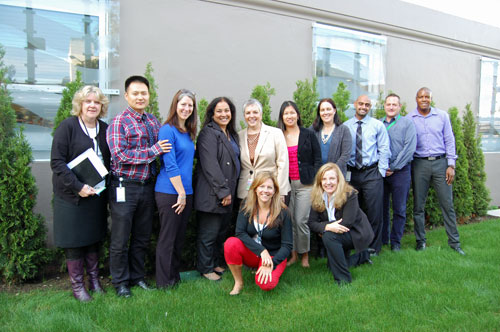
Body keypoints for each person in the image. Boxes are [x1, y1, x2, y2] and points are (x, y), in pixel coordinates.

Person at [106, 75, 171, 297]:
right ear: (126, 96)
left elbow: (166, 146)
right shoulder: (119, 122)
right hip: (125, 186)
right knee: (121, 238)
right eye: (135, 93)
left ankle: (138, 277)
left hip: (147, 187)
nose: (140, 97)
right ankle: (121, 283)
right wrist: (153, 151)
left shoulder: (153, 121)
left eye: (144, 93)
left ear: (149, 95)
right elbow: (120, 155)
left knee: (142, 237)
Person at [51, 85, 110, 302]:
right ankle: (78, 287)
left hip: (96, 195)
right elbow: (57, 162)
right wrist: (78, 186)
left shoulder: (104, 129)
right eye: (88, 102)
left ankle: (94, 281)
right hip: (72, 197)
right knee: (75, 242)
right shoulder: (68, 127)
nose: (93, 105)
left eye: (96, 102)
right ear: (80, 105)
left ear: (102, 106)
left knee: (93, 239)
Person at [409, 87, 465, 255]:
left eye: (427, 97)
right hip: (420, 165)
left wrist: (451, 165)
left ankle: (455, 243)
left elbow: (449, 139)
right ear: (416, 99)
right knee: (418, 206)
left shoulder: (442, 116)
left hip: (441, 164)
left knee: (447, 205)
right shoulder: (409, 118)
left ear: (431, 99)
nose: (424, 99)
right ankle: (420, 241)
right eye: (421, 97)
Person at [194, 97, 240, 281]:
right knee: (209, 233)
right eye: (219, 111)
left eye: (227, 110)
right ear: (212, 114)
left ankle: (214, 262)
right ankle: (205, 267)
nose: (223, 114)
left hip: (228, 192)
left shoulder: (231, 134)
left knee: (220, 231)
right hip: (213, 193)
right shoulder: (208, 133)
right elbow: (210, 165)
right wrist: (223, 191)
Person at [224, 172, 293, 295]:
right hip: (254, 253)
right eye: (261, 186)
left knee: (267, 284)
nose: (265, 191)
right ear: (255, 189)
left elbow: (287, 246)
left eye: (269, 187)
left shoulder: (284, 212)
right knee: (231, 244)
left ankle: (266, 269)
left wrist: (272, 263)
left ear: (274, 191)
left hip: (273, 255)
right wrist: (262, 251)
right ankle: (238, 282)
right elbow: (240, 233)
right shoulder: (247, 205)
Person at [155, 89, 197, 288]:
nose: (186, 108)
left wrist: (185, 193)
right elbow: (170, 164)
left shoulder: (188, 132)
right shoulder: (167, 130)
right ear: (175, 105)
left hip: (185, 192)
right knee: (168, 238)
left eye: (190, 105)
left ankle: (174, 277)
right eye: (183, 104)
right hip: (170, 191)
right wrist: (180, 193)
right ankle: (164, 282)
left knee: (178, 239)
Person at [308, 163, 374, 284]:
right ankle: (362, 256)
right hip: (336, 234)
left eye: (332, 178)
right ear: (320, 182)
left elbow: (347, 222)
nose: (328, 182)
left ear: (338, 179)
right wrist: (327, 226)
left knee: (329, 236)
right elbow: (311, 223)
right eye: (324, 179)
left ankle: (343, 280)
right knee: (332, 265)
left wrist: (324, 228)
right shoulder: (317, 196)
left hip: (356, 233)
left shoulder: (350, 194)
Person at [277, 101, 321, 267]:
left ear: (298, 115)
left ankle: (305, 257)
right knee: (290, 221)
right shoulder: (278, 135)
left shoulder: (308, 134)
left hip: (306, 184)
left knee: (301, 220)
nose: (289, 116)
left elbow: (317, 159)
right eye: (286, 113)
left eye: (292, 113)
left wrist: (316, 181)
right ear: (282, 116)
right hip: (286, 185)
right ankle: (293, 255)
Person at [344, 95, 390, 256]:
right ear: (355, 104)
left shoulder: (377, 125)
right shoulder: (345, 126)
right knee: (352, 211)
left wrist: (381, 172)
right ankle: (356, 245)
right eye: (361, 104)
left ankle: (374, 248)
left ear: (370, 107)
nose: (363, 107)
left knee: (374, 211)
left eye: (367, 105)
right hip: (352, 174)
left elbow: (384, 149)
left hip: (372, 173)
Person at [382, 93, 417, 251]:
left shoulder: (407, 124)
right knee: (381, 208)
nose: (391, 107)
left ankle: (396, 242)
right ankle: (382, 240)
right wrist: (384, 167)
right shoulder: (378, 124)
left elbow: (409, 149)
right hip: (381, 173)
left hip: (401, 171)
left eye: (394, 104)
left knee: (399, 209)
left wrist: (394, 167)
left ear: (399, 107)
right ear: (384, 106)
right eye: (388, 104)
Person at [237, 99, 290, 201]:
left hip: (269, 190)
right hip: (246, 191)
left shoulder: (275, 133)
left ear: (261, 114)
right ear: (244, 116)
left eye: (255, 112)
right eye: (248, 113)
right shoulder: (239, 136)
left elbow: (283, 163)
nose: (251, 115)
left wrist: (281, 191)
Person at [310, 98, 352, 176]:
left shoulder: (344, 130)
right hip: (317, 175)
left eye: (328, 109)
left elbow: (345, 155)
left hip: (337, 175)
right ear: (319, 113)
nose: (325, 112)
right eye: (322, 110)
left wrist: (332, 171)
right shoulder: (312, 130)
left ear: (334, 110)